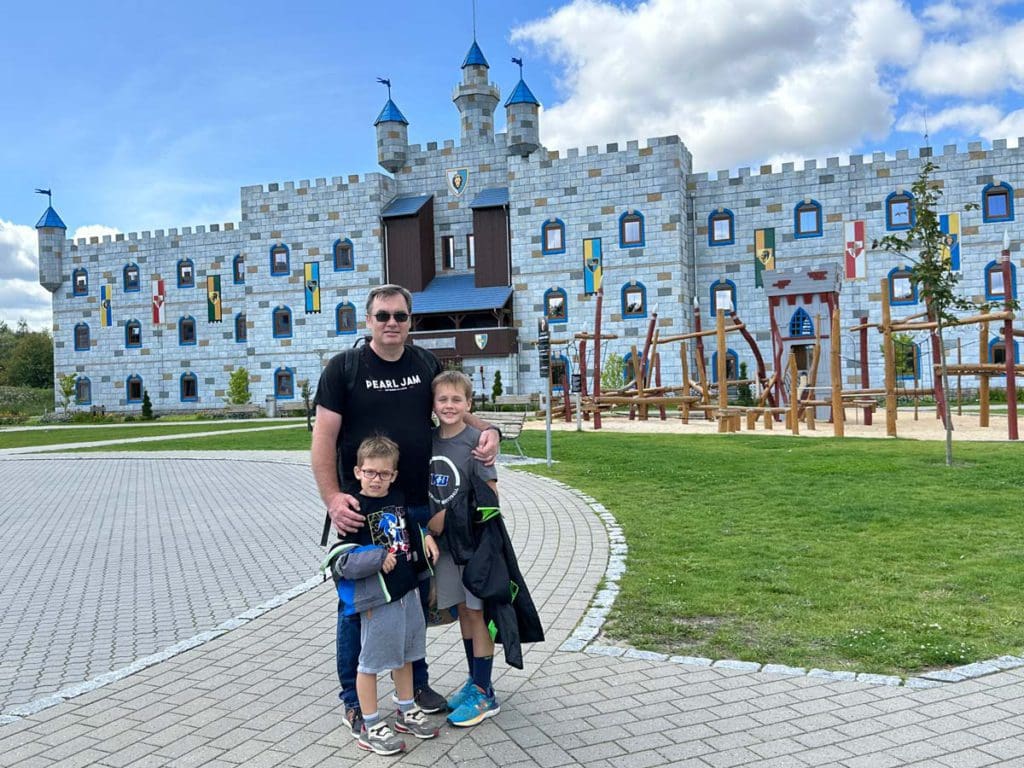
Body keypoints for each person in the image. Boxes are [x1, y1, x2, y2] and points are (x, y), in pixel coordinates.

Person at [311, 283, 501, 739]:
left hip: (416, 507)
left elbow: (451, 408)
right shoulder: (345, 369)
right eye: (382, 316)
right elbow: (322, 439)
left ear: (410, 321)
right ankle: (355, 702)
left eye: (399, 315)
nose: (391, 323)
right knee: (359, 607)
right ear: (369, 321)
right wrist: (334, 498)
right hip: (365, 512)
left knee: (412, 601)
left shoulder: (423, 364)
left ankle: (414, 689)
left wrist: (488, 427)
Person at [323, 436, 440, 755]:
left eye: (384, 473)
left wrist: (425, 537)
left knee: (405, 655)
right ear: (358, 471)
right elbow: (341, 558)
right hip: (377, 599)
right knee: (370, 662)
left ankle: (405, 707)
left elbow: (406, 532)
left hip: (405, 591)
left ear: (394, 475)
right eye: (371, 472)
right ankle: (370, 723)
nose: (377, 479)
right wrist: (376, 557)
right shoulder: (353, 507)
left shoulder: (398, 497)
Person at [427, 370, 501, 727]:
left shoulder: (477, 443)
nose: (450, 406)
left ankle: (485, 692)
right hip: (444, 551)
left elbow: (491, 500)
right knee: (462, 613)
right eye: (443, 399)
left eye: (457, 400)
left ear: (469, 405)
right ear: (434, 404)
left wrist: (447, 517)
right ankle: (475, 682)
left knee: (477, 615)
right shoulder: (429, 442)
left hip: (471, 547)